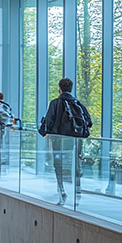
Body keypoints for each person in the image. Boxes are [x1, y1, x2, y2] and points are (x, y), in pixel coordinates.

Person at [39, 77, 93, 206]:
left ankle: (62, 190)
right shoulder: (78, 104)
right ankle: (77, 190)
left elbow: (48, 121)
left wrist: (43, 132)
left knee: (58, 164)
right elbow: (89, 123)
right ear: (71, 88)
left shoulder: (55, 103)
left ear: (60, 88)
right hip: (75, 141)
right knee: (76, 165)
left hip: (58, 140)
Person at [0, 91, 14, 174]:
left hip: (0, 130)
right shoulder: (6, 105)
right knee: (3, 148)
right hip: (5, 129)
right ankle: (2, 167)